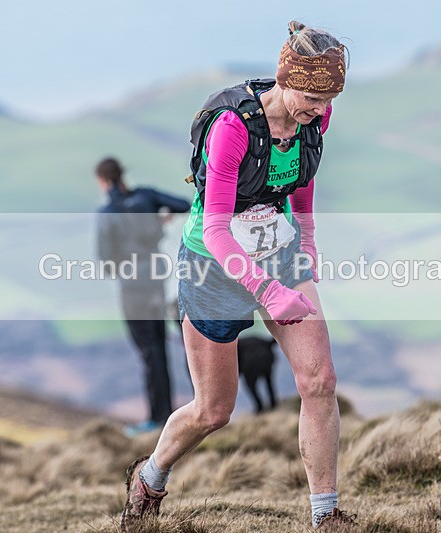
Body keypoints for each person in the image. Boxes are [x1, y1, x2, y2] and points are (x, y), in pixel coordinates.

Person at [120, 21, 355, 531]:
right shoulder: (233, 128)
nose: (320, 109)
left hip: (279, 251)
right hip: (213, 266)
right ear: (284, 78)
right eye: (312, 97)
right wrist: (267, 291)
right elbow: (216, 230)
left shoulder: (315, 117)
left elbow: (302, 177)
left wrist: (306, 244)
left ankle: (326, 515)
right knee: (214, 410)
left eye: (329, 99)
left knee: (320, 381)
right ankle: (150, 477)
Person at [94, 157, 191, 435]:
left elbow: (105, 260)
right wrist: (158, 221)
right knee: (159, 346)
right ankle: (169, 414)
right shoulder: (146, 196)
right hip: (157, 279)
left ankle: (157, 418)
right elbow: (183, 204)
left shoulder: (108, 212)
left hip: (132, 286)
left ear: (102, 180)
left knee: (149, 352)